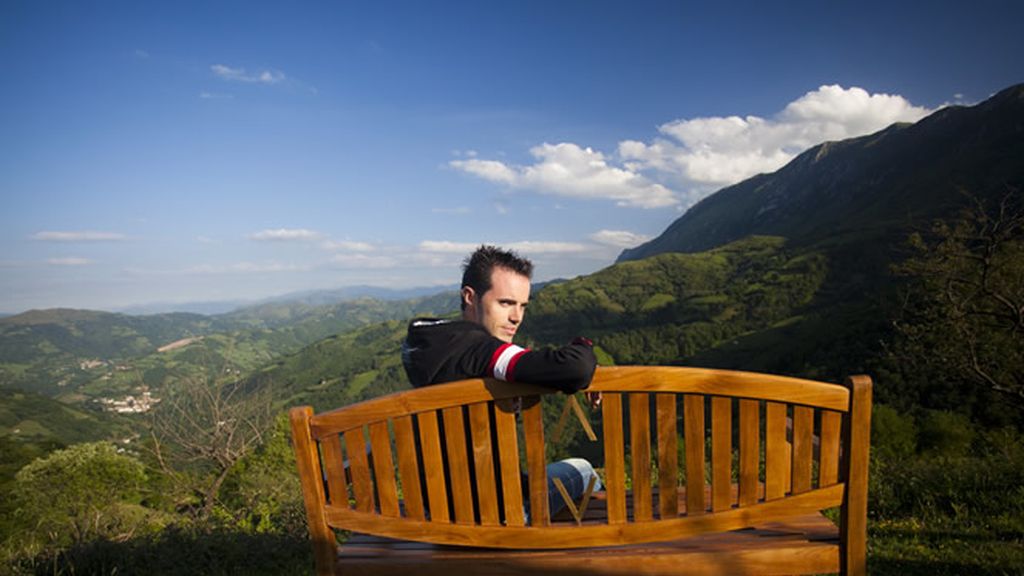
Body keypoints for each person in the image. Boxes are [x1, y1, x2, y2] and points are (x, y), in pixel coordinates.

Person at [402, 245, 601, 521]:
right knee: (584, 469)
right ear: (470, 297)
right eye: (505, 303)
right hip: (499, 514)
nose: (516, 317)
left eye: (522, 306)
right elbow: (575, 367)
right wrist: (584, 345)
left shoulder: (424, 348)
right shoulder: (481, 351)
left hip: (439, 515)